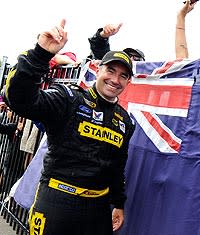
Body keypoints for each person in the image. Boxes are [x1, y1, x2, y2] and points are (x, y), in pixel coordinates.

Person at [5, 19, 135, 235]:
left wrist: (119, 203)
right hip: (57, 203)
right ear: (98, 70)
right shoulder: (69, 99)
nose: (115, 79)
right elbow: (19, 99)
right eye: (111, 70)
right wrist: (40, 54)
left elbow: (117, 166)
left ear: (128, 82)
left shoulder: (124, 121)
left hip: (98, 209)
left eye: (123, 75)